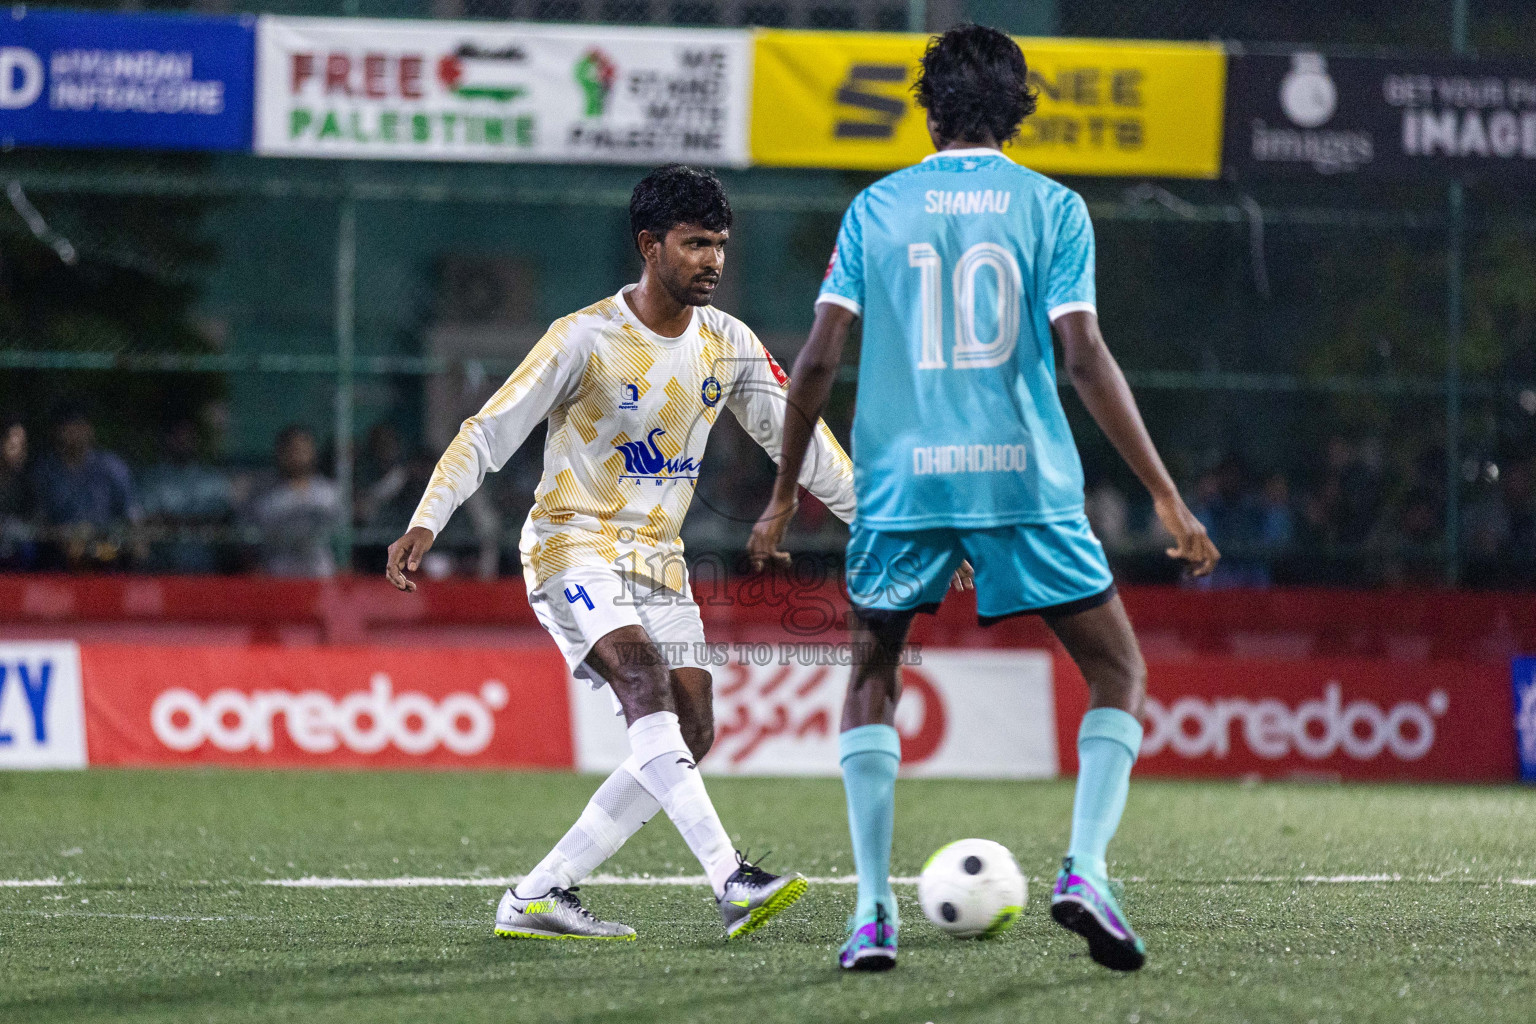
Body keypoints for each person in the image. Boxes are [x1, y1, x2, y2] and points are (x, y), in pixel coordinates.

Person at [748, 25, 1219, 974]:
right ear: (1020, 110)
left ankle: (874, 914)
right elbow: (1083, 356)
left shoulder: (877, 207)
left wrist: (781, 491)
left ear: (926, 110)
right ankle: (1084, 868)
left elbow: (816, 361)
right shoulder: (1054, 207)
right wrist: (1165, 495)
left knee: (873, 674)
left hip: (902, 485)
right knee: (1118, 673)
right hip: (1022, 477)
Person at [384, 165, 864, 942]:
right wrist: (427, 519)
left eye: (720, 245)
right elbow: (488, 431)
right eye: (695, 243)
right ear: (650, 245)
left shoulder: (727, 342)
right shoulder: (584, 338)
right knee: (644, 681)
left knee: (695, 728)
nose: (712, 260)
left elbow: (804, 448)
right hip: (571, 545)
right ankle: (730, 877)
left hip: (658, 560)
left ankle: (539, 894)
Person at [32, 405, 139, 568]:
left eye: (80, 426)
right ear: (57, 432)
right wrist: (64, 534)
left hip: (109, 549)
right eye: (69, 427)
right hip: (59, 556)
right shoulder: (46, 472)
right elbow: (38, 522)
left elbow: (131, 516)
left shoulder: (111, 468)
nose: (75, 433)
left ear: (90, 429)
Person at [247, 425, 342, 577]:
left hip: (320, 576)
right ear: (281, 453)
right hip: (279, 576)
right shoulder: (265, 497)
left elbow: (341, 537)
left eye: (303, 450)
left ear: (312, 452)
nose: (297, 456)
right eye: (292, 450)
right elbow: (252, 539)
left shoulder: (329, 493)